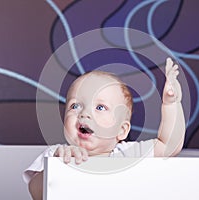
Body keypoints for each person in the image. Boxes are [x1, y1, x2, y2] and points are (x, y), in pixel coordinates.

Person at [24, 57, 185, 200]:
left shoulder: (127, 154)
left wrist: (171, 104)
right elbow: (36, 192)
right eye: (75, 105)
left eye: (100, 107)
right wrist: (56, 166)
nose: (84, 113)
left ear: (121, 130)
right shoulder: (57, 154)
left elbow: (169, 145)